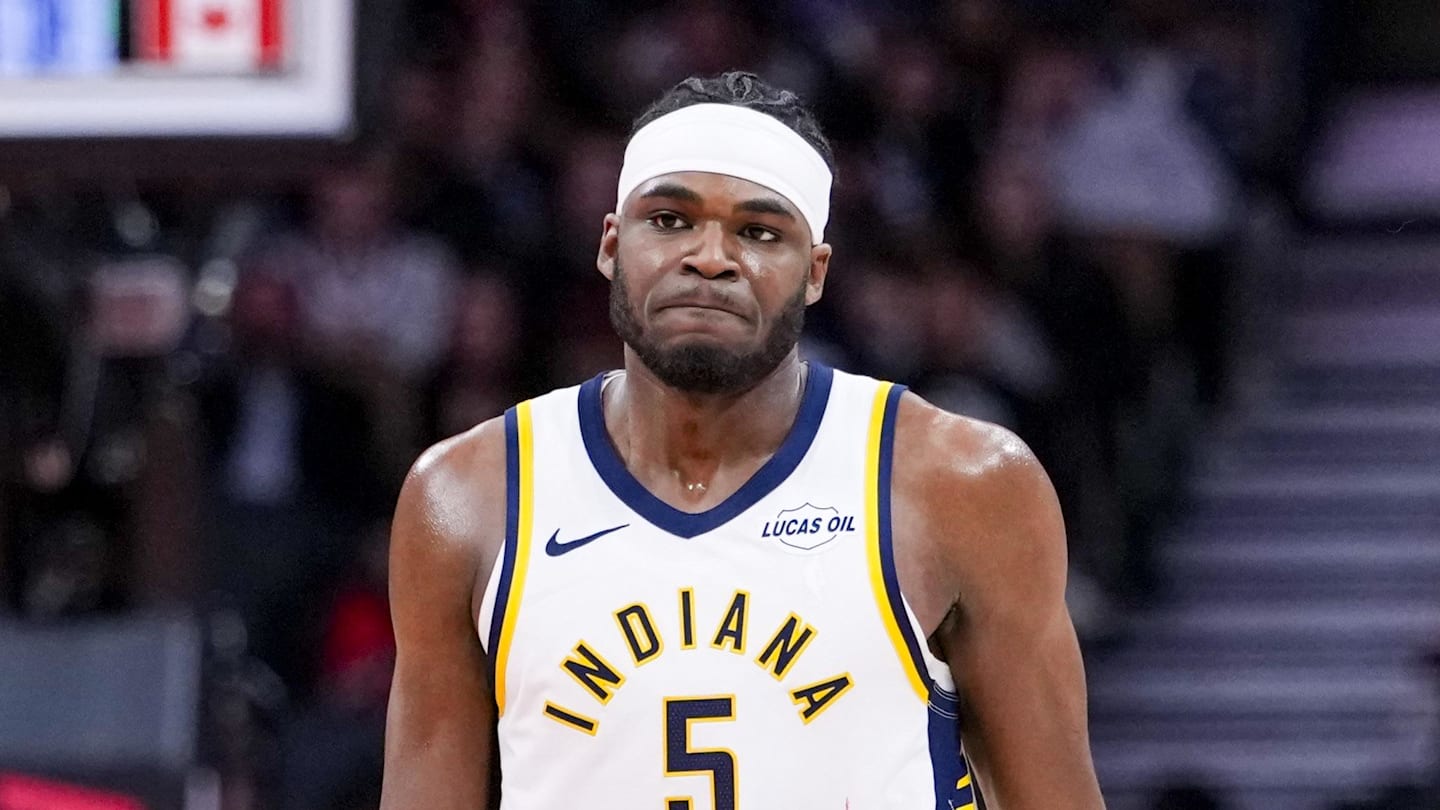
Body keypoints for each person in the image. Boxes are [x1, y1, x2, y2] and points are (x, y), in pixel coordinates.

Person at [381, 71, 1105, 809]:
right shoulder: (465, 498)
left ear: (815, 273)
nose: (710, 257)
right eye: (669, 220)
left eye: (759, 232)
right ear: (609, 243)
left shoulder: (960, 483)